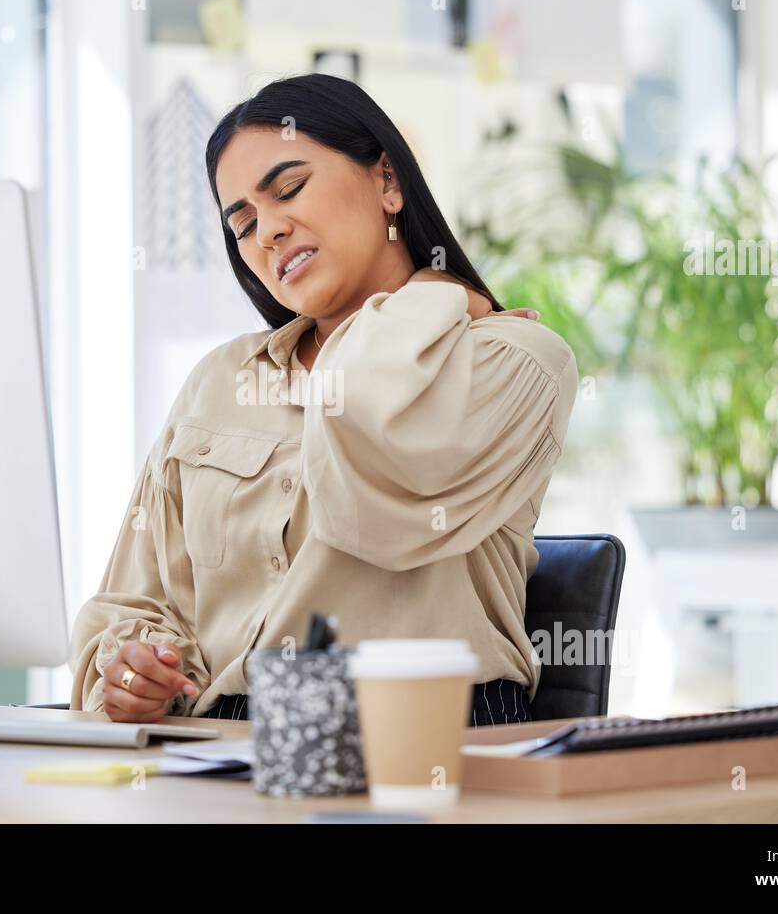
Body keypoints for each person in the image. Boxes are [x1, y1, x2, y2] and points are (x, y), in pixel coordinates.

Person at [69, 73, 578, 726]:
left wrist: (430, 294)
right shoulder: (219, 379)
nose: (268, 233)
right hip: (226, 751)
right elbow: (134, 600)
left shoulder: (512, 361)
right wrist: (136, 670)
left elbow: (376, 491)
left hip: (431, 743)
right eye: (243, 224)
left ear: (387, 181)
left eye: (288, 189)